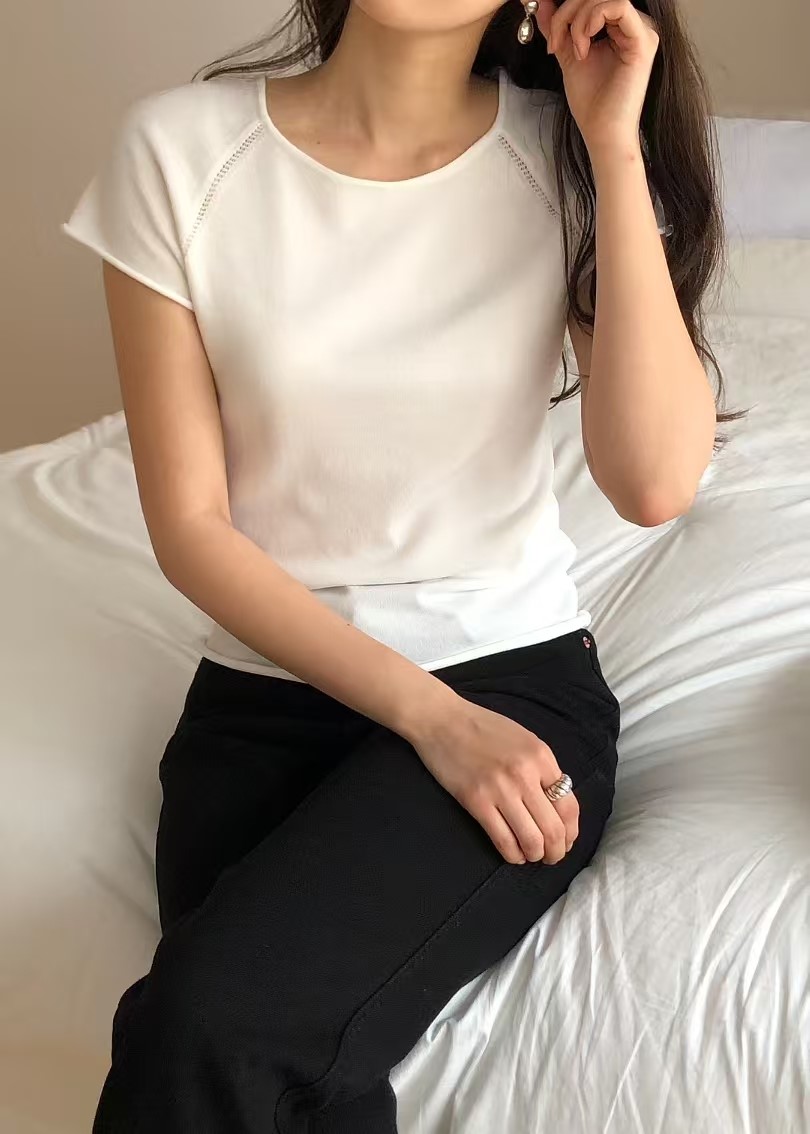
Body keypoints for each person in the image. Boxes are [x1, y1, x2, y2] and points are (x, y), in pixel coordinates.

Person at [62, 1, 729, 1130]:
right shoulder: (178, 150)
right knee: (265, 1066)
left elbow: (655, 483)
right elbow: (192, 529)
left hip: (510, 692)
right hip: (263, 701)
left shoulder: (565, 157)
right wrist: (430, 720)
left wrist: (614, 148)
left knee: (206, 1026)